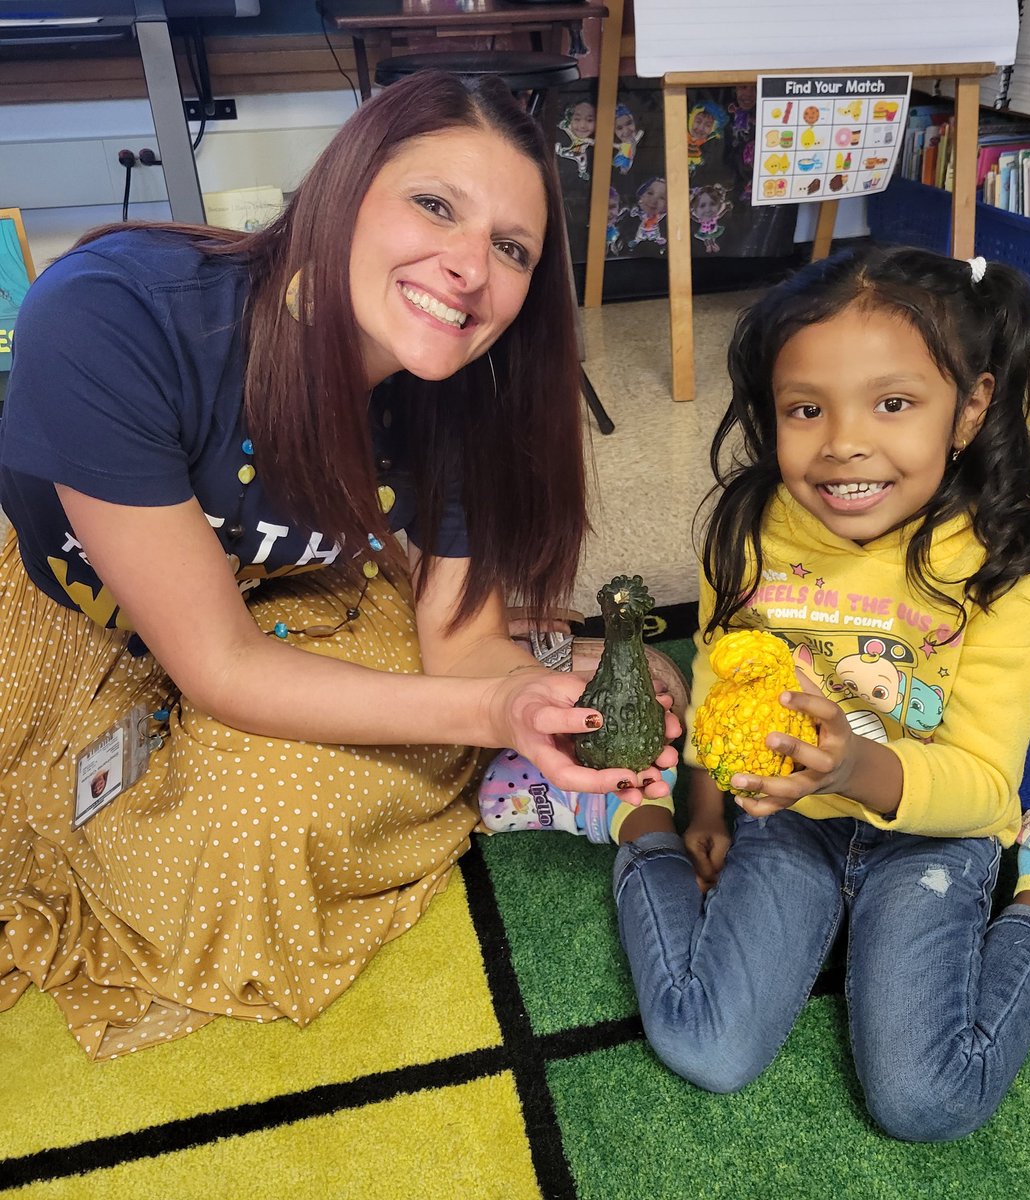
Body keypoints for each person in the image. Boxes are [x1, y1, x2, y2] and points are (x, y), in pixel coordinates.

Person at [0, 70, 677, 1061]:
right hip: (72, 610)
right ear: (344, 186)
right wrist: (495, 715)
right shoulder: (111, 317)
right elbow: (219, 666)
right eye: (435, 205)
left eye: (511, 248)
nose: (468, 267)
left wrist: (537, 698)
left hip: (281, 607)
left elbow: (460, 645)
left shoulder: (454, 391)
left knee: (261, 831)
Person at [479, 245, 1030, 1139]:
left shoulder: (1006, 558)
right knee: (709, 1047)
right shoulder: (751, 527)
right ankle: (633, 818)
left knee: (927, 1102)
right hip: (788, 820)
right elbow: (720, 678)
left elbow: (984, 784)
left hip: (937, 833)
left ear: (970, 409)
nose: (844, 442)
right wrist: (699, 800)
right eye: (804, 409)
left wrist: (855, 764)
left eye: (893, 404)